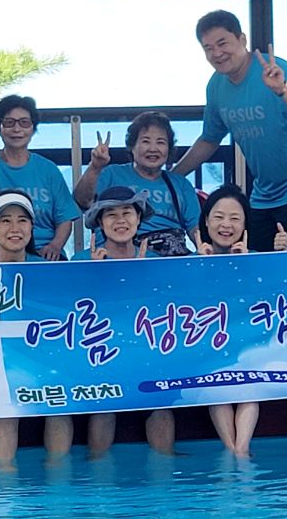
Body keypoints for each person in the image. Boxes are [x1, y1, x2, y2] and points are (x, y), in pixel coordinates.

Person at [173, 10, 287, 253]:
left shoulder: (276, 70)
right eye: (208, 48)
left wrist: (282, 90)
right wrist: (173, 177)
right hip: (264, 193)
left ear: (242, 39)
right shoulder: (216, 86)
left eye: (222, 43)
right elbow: (209, 139)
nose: (217, 53)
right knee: (255, 260)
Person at [72, 186, 173, 455]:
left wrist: (142, 275)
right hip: (99, 350)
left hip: (144, 348)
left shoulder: (154, 260)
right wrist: (95, 276)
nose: (120, 220)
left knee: (161, 400)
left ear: (138, 218)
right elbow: (72, 311)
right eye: (111, 214)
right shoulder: (81, 261)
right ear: (100, 223)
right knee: (104, 404)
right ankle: (98, 467)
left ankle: (165, 465)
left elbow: (165, 310)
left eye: (127, 212)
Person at [0, 189, 73, 467]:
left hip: (43, 359)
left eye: (22, 220)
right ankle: (4, 482)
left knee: (60, 403)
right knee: (5, 407)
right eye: (5, 221)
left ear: (32, 228)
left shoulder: (51, 271)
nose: (15, 228)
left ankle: (60, 479)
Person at [0, 95, 80, 261]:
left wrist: (55, 246)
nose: (17, 129)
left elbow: (64, 218)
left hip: (42, 251)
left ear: (33, 128)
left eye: (24, 122)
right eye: (9, 122)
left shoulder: (48, 169)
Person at [74, 111, 199, 257]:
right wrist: (95, 167)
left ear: (169, 149)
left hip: (172, 258)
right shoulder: (111, 174)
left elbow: (196, 229)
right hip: (117, 256)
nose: (153, 148)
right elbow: (82, 201)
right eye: (146, 141)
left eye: (160, 142)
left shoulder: (180, 184)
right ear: (132, 146)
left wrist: (207, 252)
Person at [194, 184, 260, 456]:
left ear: (245, 225)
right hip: (208, 345)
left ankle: (242, 449)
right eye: (219, 217)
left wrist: (243, 266)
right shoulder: (190, 262)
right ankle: (232, 448)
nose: (226, 225)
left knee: (251, 380)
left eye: (235, 218)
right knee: (215, 378)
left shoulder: (256, 260)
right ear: (206, 221)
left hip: (249, 343)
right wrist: (202, 267)